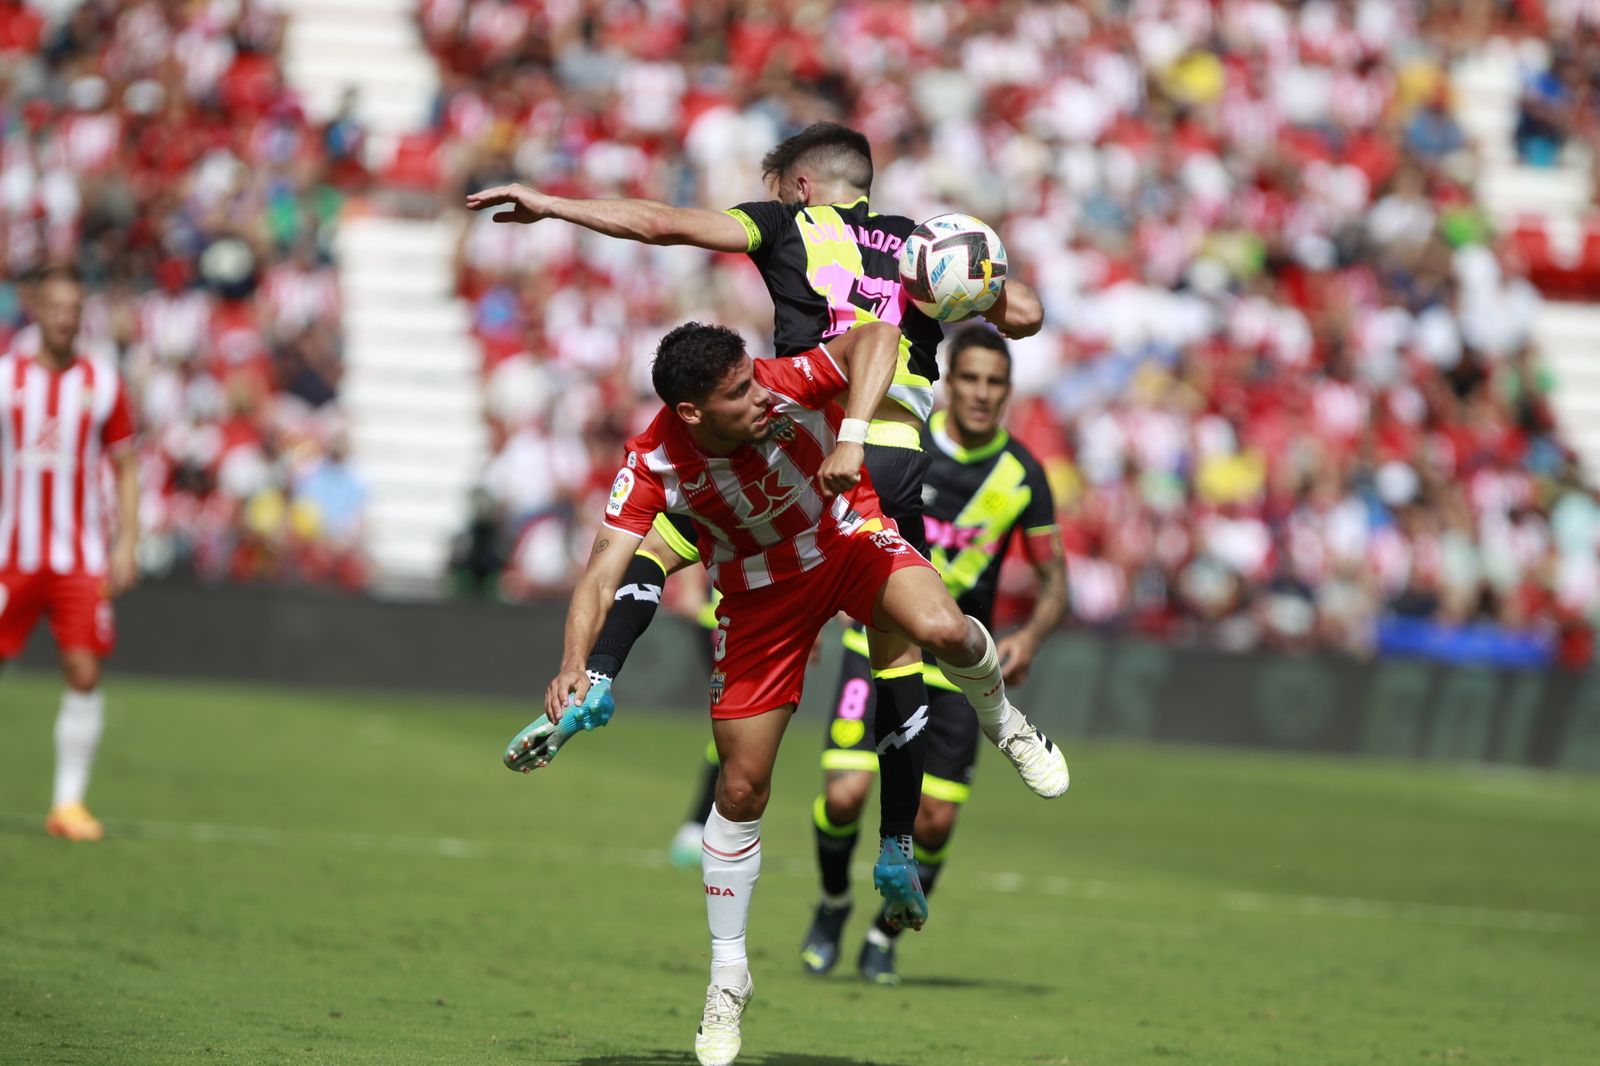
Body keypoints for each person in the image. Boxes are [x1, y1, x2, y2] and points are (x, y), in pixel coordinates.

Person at [469, 121, 1045, 859]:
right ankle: (899, 847)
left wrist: (552, 204)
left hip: (809, 442)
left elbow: (662, 224)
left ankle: (599, 678)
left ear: (801, 187)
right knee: (898, 656)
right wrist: (975, 273)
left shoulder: (786, 222)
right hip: (897, 457)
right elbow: (1023, 313)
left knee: (657, 541)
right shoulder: (915, 246)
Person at [507, 321, 1067, 1066]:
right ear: (692, 415)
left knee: (948, 628)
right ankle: (728, 979)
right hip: (761, 596)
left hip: (848, 539)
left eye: (751, 376)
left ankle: (1008, 725)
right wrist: (575, 661)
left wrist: (854, 435)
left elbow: (876, 338)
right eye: (737, 391)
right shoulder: (651, 465)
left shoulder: (781, 382)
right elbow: (604, 570)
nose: (757, 392)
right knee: (740, 788)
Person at [802, 325, 1068, 986]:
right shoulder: (902, 439)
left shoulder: (1023, 474)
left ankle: (882, 935)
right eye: (970, 378)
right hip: (879, 638)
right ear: (948, 382)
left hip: (958, 663)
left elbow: (1055, 578)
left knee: (937, 817)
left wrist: (1029, 636)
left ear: (1008, 391)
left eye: (994, 382)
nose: (980, 393)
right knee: (844, 796)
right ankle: (833, 904)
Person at [0, 267, 139, 842]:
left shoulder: (103, 384)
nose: (65, 316)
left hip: (78, 555)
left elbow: (127, 466)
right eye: (55, 305)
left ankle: (68, 804)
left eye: (73, 306)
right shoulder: (7, 378)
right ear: (34, 307)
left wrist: (128, 540)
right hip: (11, 553)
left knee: (83, 670)